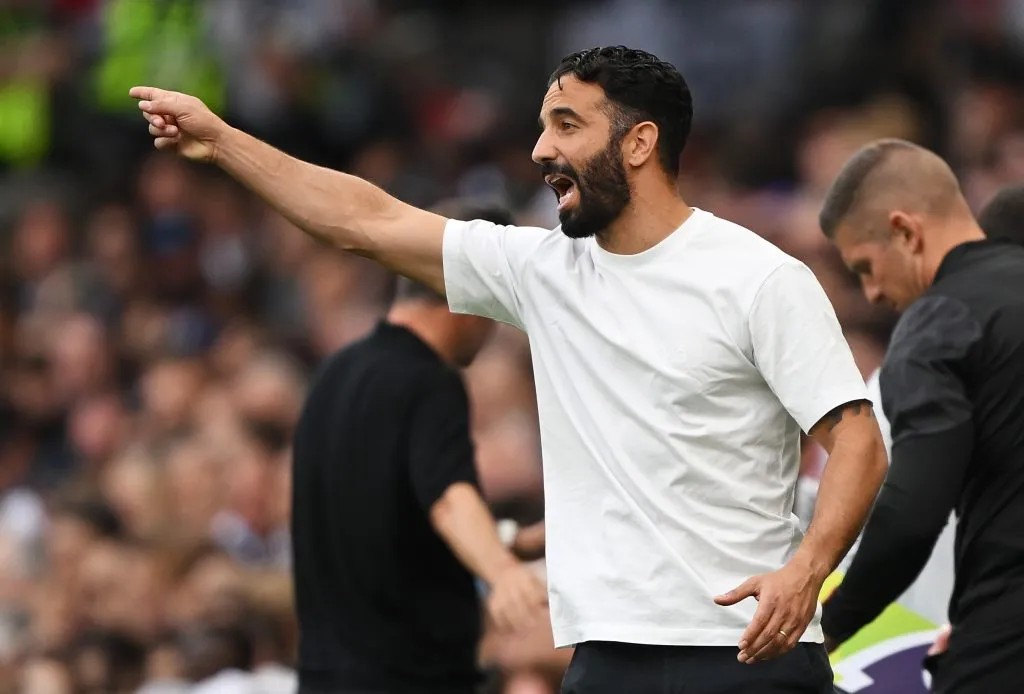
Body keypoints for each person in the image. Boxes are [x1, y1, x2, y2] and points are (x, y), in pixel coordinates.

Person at [131, 45, 887, 694]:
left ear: (639, 142)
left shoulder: (759, 278)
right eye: (539, 127)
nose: (539, 150)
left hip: (743, 656)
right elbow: (366, 221)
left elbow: (858, 441)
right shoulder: (542, 269)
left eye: (566, 125)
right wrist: (225, 141)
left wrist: (806, 572)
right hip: (602, 659)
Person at [289, 199, 548, 694]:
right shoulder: (429, 382)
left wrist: (509, 541)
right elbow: (448, 497)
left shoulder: (333, 376)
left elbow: (382, 531)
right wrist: (502, 571)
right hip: (408, 678)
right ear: (478, 292)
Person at [817, 138, 1024, 694]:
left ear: (906, 232)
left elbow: (913, 511)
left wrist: (829, 627)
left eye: (865, 267)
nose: (873, 292)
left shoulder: (937, 324)